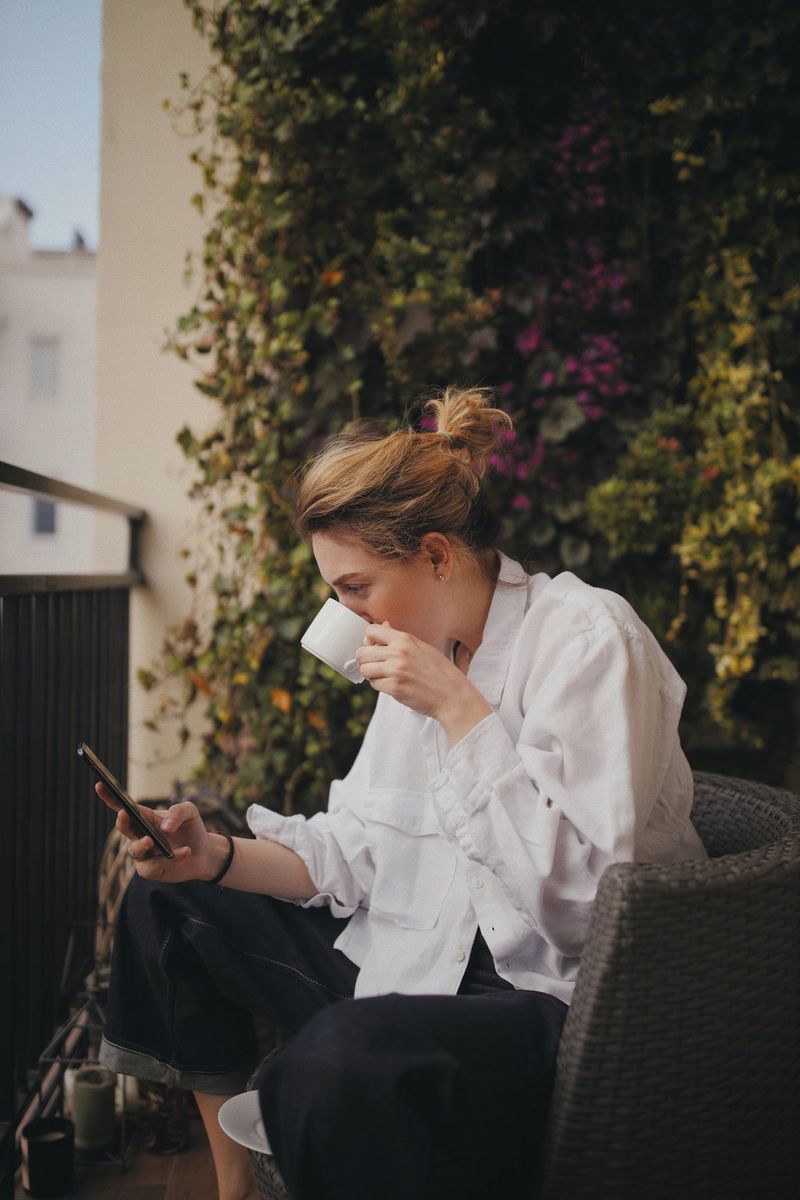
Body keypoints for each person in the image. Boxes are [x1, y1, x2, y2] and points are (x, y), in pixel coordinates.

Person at [97, 387, 706, 1200]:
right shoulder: (422, 654)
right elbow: (354, 854)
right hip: (419, 965)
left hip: (555, 1006)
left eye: (355, 588)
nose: (344, 615)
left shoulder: (588, 640)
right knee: (167, 899)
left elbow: (588, 913)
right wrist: (210, 855)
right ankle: (233, 1188)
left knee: (336, 1060)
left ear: (437, 555)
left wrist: (462, 713)